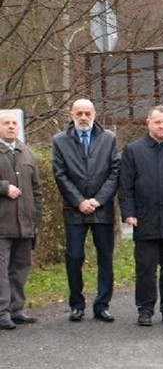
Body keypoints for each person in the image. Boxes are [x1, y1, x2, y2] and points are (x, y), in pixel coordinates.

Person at [118, 105, 163, 326]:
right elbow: (126, 185)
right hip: (145, 219)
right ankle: (145, 309)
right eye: (157, 122)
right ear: (148, 123)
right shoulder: (133, 150)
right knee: (145, 268)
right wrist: (128, 212)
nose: (161, 126)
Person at [52, 98, 120, 322]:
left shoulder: (108, 138)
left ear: (94, 114)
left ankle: (102, 305)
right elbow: (60, 175)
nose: (83, 117)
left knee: (105, 258)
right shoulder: (60, 141)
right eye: (79, 113)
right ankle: (76, 304)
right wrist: (80, 201)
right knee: (74, 257)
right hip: (74, 210)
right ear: (71, 115)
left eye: (87, 113)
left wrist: (98, 200)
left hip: (103, 209)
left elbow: (115, 172)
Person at [0, 111, 42, 330]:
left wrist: (37, 221)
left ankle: (17, 310)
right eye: (6, 123)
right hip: (2, 225)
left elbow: (37, 190)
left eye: (14, 123)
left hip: (25, 224)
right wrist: (4, 188)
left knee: (20, 268)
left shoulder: (27, 153)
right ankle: (2, 312)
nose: (11, 126)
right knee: (1, 271)